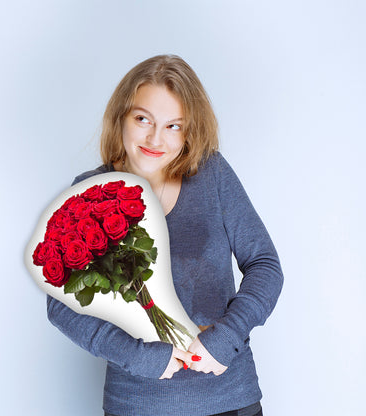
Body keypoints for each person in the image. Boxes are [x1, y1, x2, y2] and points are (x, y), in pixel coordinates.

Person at [46, 54, 283, 416]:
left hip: (230, 400)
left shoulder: (212, 175)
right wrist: (138, 357)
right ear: (121, 117)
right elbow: (61, 302)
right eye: (143, 119)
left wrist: (227, 337)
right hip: (136, 404)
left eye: (174, 126)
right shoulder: (90, 192)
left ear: (190, 131)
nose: (156, 138)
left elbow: (265, 264)